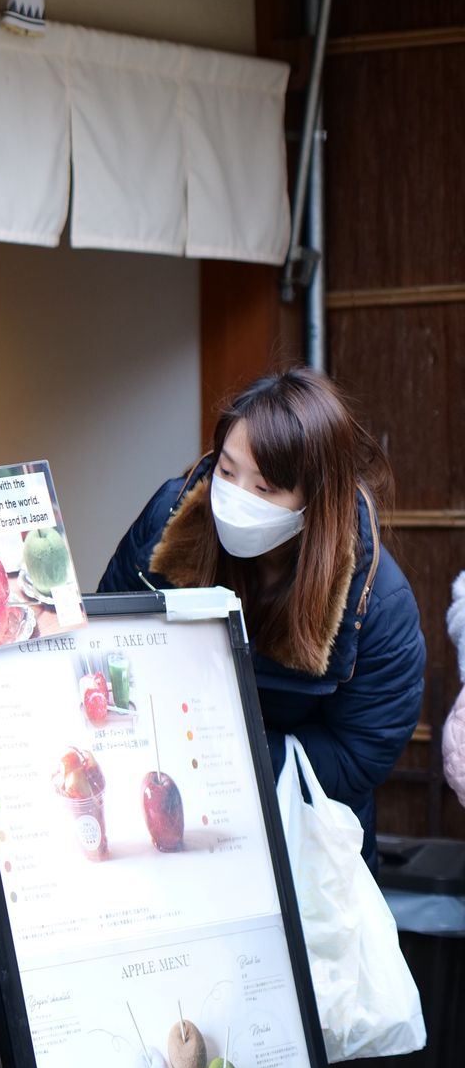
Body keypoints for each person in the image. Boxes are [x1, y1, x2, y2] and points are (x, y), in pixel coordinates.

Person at [99, 367, 424, 862]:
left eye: (266, 488)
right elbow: (107, 634)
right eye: (227, 472)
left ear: (315, 499)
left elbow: (359, 756)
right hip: (163, 808)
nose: (234, 497)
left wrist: (216, 750)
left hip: (301, 846)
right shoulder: (173, 518)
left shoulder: (374, 602)